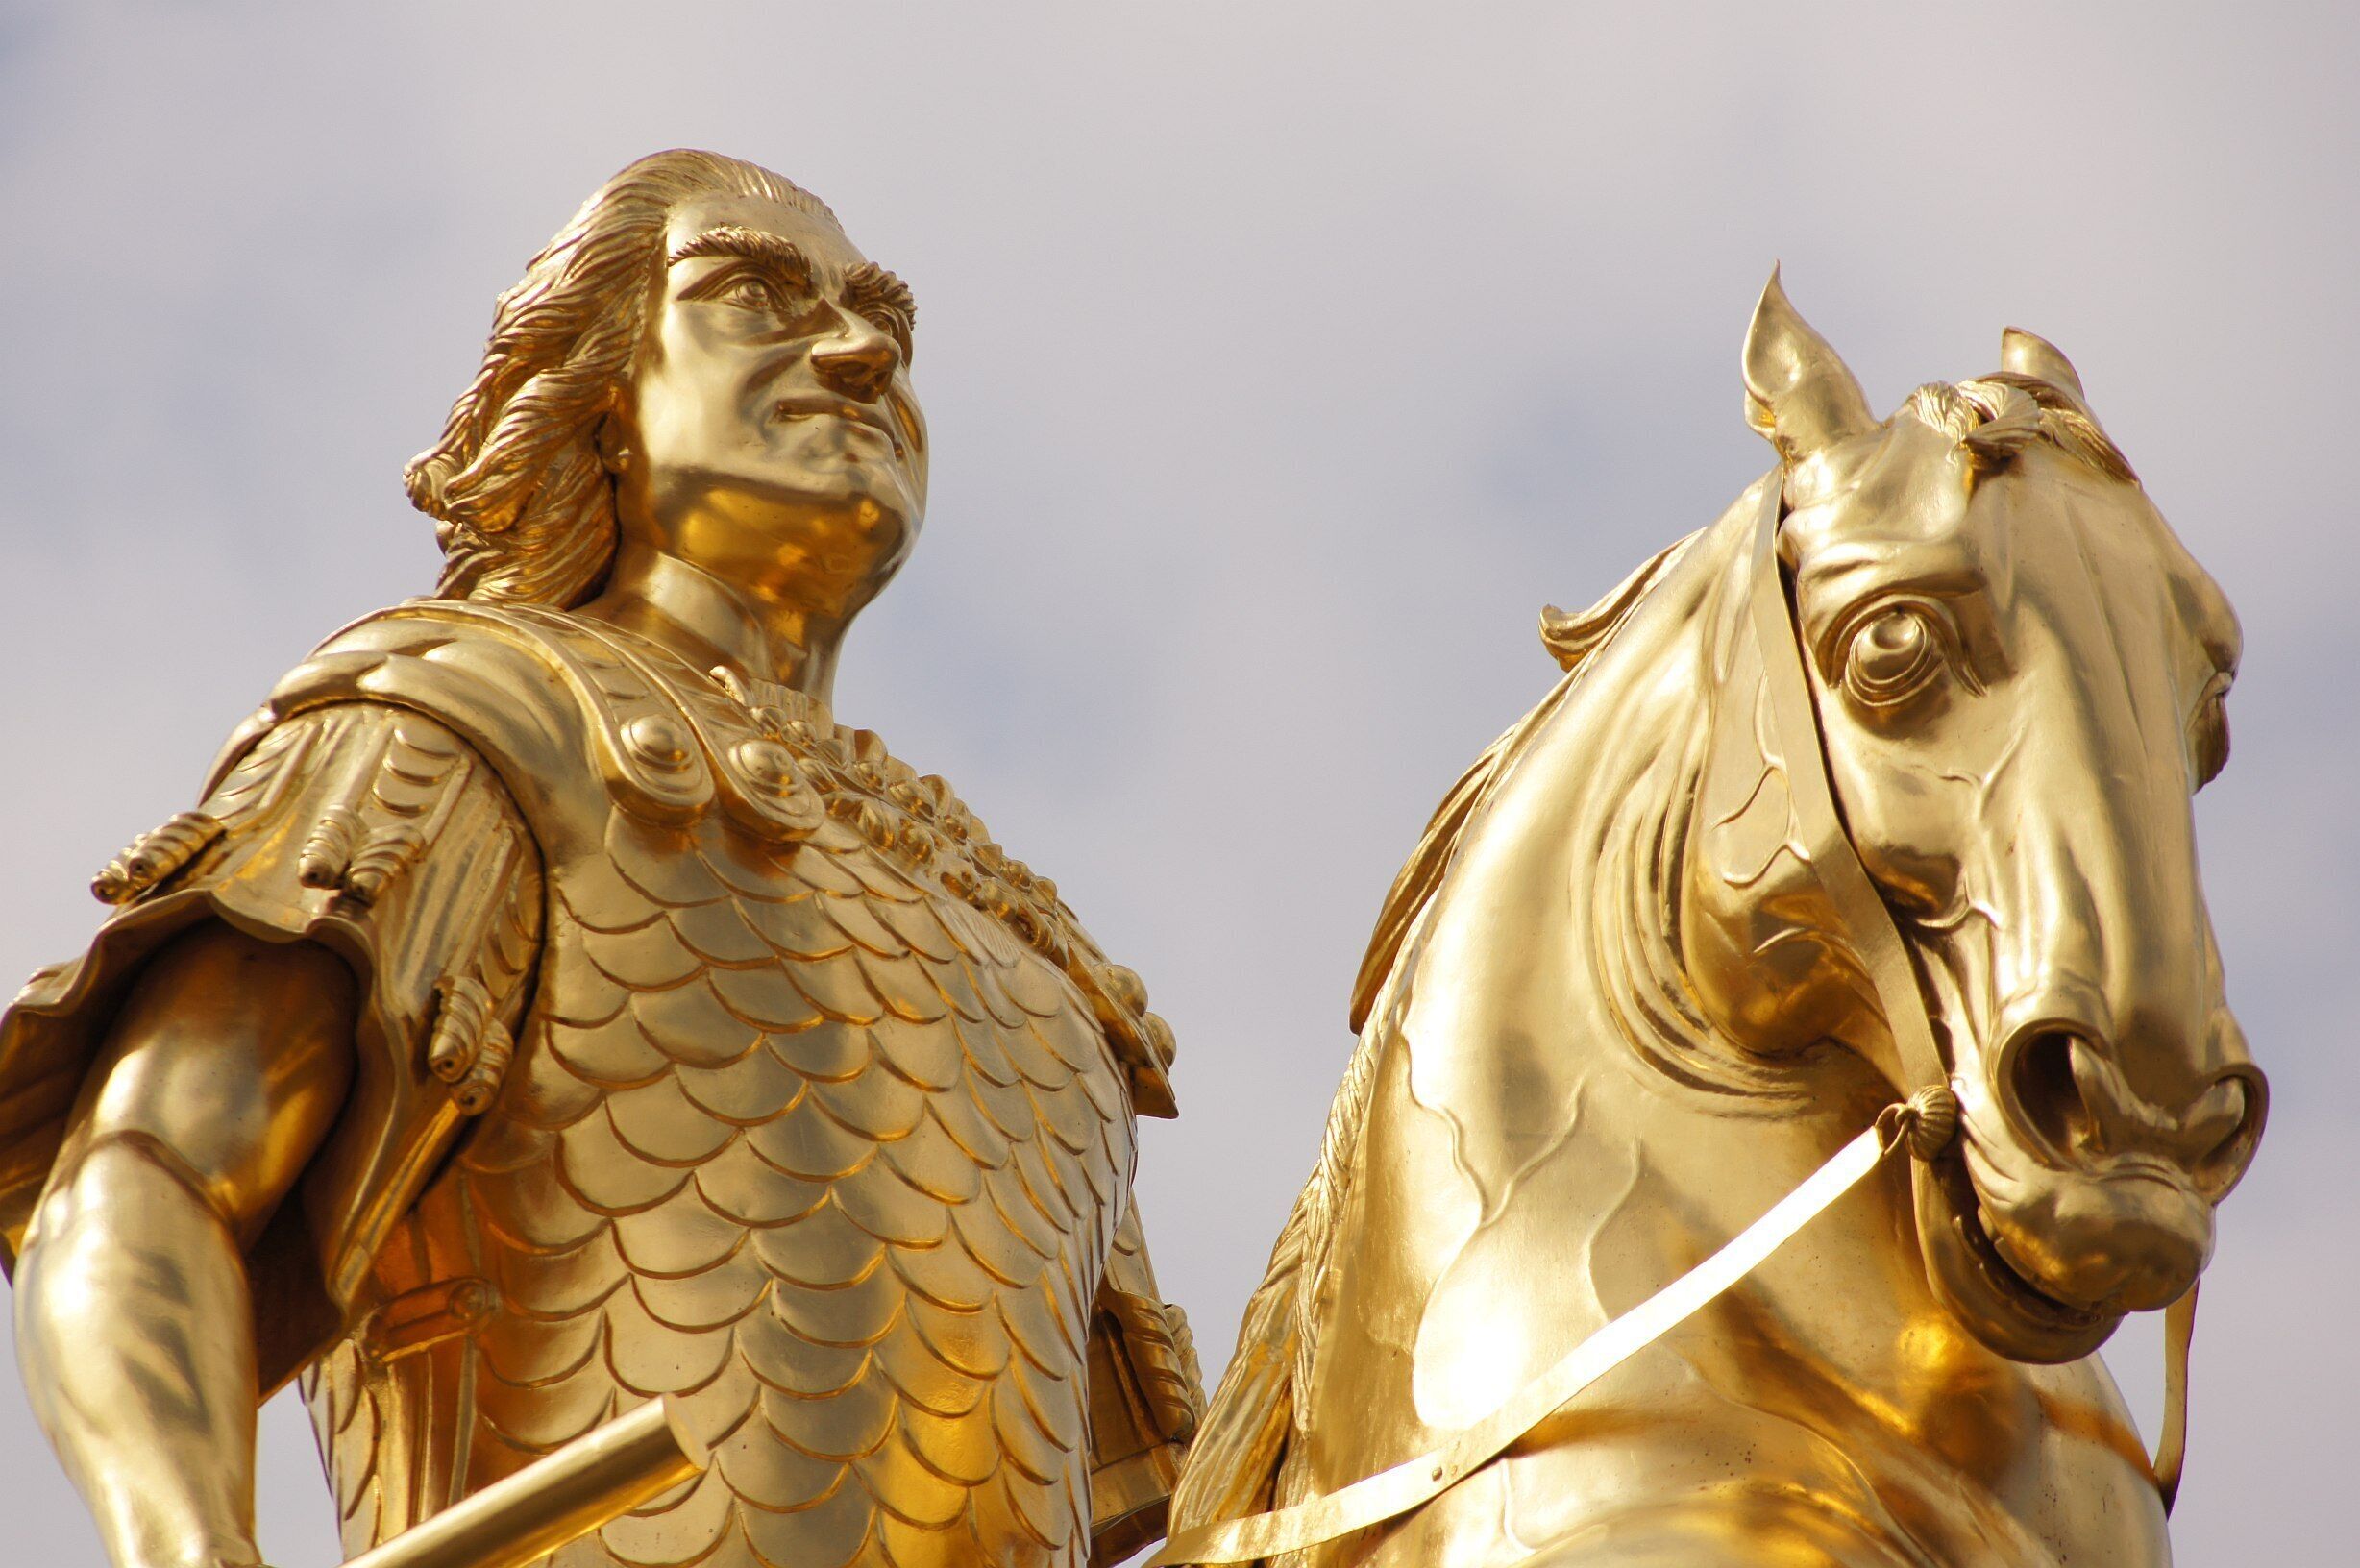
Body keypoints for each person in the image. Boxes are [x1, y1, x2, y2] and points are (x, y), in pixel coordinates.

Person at [0, 148, 1200, 1568]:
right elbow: (143, 1178)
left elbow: (1171, 1507)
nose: (863, 350)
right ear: (602, 394)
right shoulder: (475, 719)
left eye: (883, 318)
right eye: (753, 293)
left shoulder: (1036, 953)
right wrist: (191, 1550)